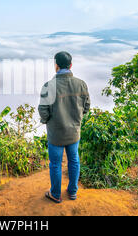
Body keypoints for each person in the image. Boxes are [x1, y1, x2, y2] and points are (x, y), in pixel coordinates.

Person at [38, 51, 91, 203]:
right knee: (74, 160)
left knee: (55, 163)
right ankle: (72, 191)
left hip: (56, 133)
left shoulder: (49, 86)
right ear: (71, 65)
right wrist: (77, 118)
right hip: (74, 133)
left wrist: (47, 120)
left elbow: (43, 111)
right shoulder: (81, 84)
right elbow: (86, 107)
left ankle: (55, 193)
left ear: (56, 66)